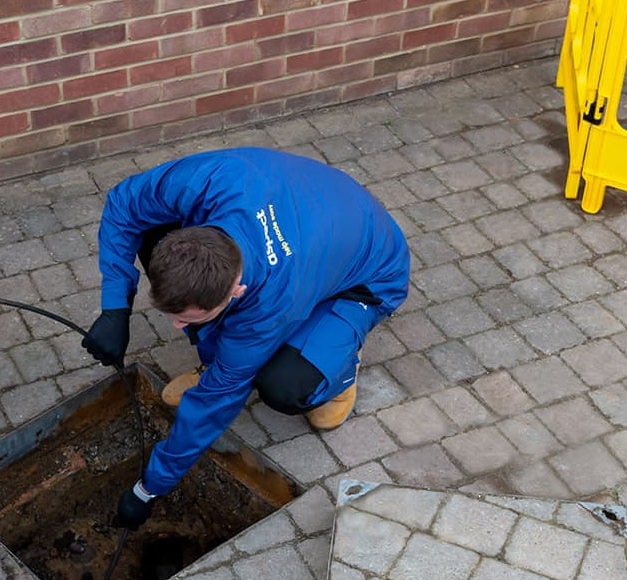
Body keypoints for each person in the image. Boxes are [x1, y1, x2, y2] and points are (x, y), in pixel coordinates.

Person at [81, 147, 411, 529]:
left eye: (185, 319)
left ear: (236, 291)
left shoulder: (275, 299)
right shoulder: (207, 180)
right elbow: (123, 204)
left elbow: (217, 401)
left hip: (367, 277)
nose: (173, 326)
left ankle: (340, 372)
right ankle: (214, 347)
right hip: (318, 212)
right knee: (151, 228)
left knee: (284, 385)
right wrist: (115, 307)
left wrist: (149, 488)